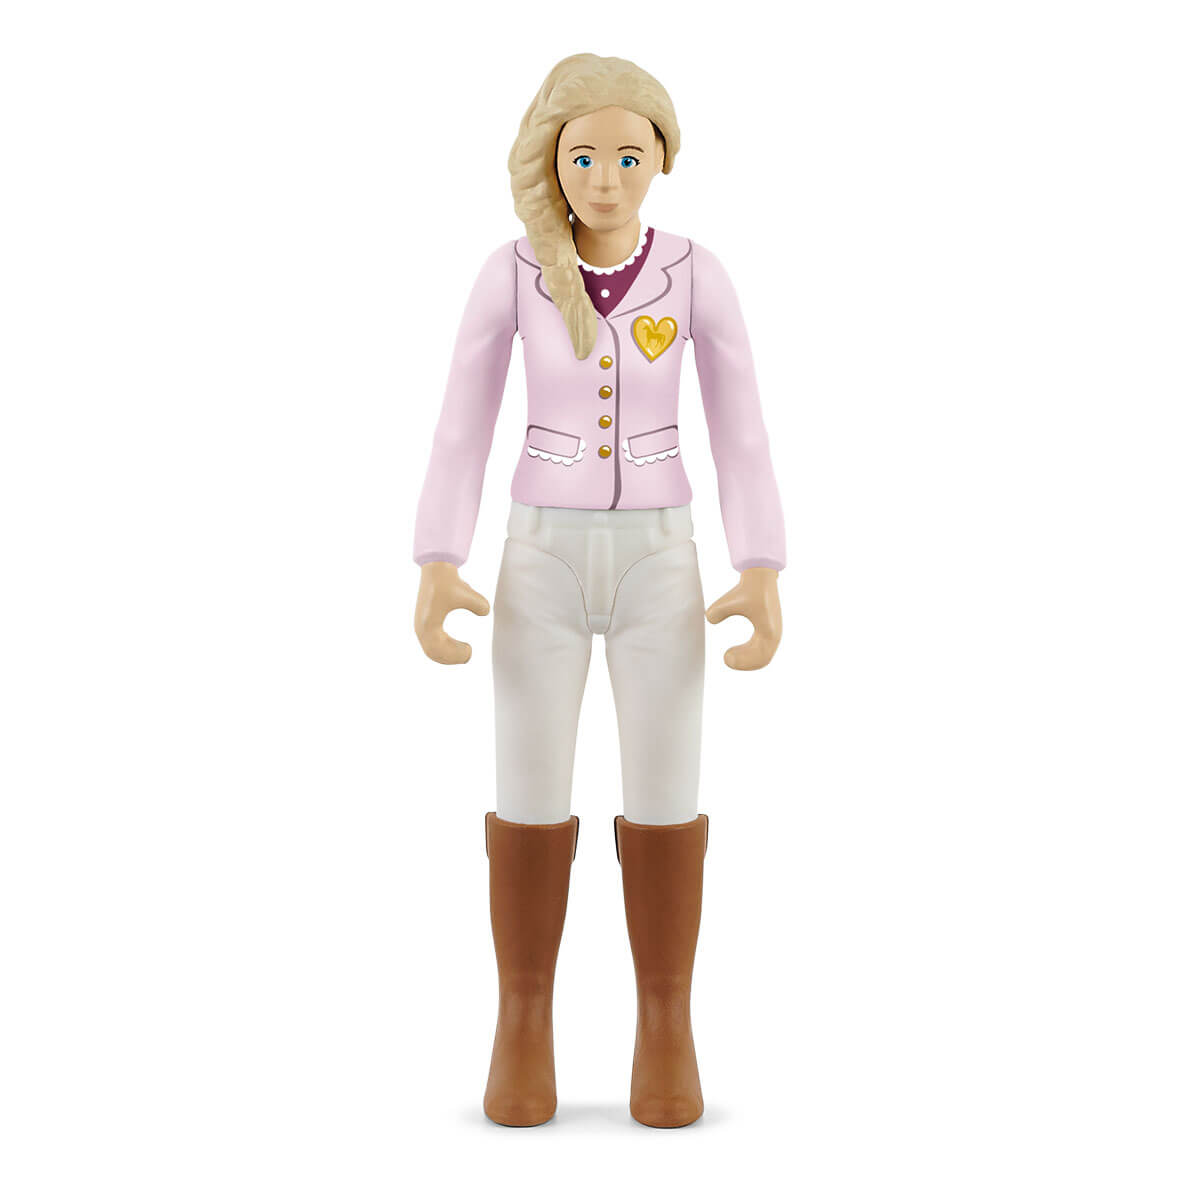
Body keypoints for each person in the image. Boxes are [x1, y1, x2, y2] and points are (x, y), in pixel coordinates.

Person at [413, 53, 785, 1128]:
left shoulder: (696, 275)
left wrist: (760, 564)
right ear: (551, 159)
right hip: (538, 554)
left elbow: (742, 427)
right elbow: (461, 422)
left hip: (664, 557)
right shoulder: (512, 275)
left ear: (663, 156)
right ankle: (521, 1019)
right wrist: (439, 556)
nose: (607, 179)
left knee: (667, 791)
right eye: (583, 157)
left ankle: (666, 1021)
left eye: (629, 154)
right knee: (528, 789)